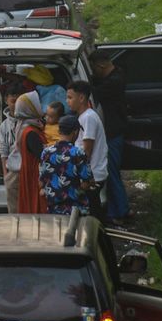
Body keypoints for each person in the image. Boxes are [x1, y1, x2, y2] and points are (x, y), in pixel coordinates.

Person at [88, 49, 130, 221]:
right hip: (113, 130)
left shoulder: (114, 82)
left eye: (94, 69)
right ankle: (118, 208)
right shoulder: (117, 74)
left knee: (111, 173)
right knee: (112, 172)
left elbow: (93, 91)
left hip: (112, 133)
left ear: (102, 64)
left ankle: (120, 211)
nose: (93, 73)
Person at [66, 80, 108, 221]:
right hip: (91, 173)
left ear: (82, 98)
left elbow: (87, 150)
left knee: (93, 214)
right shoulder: (84, 116)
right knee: (93, 210)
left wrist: (82, 176)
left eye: (70, 97)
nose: (67, 101)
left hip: (92, 174)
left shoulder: (88, 118)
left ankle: (97, 239)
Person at [40, 114, 94, 215]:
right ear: (75, 132)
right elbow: (87, 182)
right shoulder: (78, 153)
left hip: (53, 210)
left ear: (59, 131)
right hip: (76, 210)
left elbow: (42, 182)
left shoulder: (46, 152)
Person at [13, 91, 47, 214]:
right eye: (37, 103)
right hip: (35, 174)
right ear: (30, 108)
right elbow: (42, 154)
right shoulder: (31, 132)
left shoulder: (27, 127)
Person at [0, 83, 25, 213]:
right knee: (13, 207)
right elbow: (3, 151)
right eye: (13, 101)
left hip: (28, 169)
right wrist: (6, 175)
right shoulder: (4, 126)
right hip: (12, 171)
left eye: (20, 101)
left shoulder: (30, 121)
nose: (16, 105)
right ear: (6, 101)